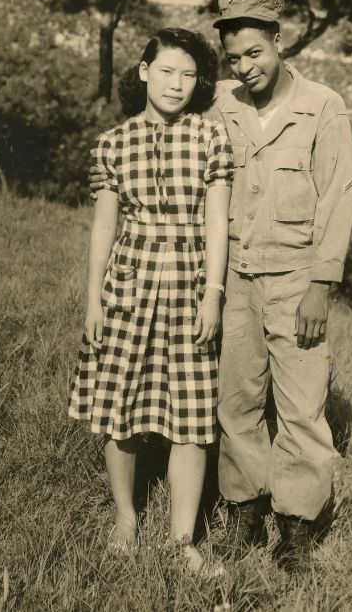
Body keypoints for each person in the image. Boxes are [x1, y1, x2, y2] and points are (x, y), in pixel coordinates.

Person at [69, 28, 233, 574]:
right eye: (166, 71)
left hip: (189, 281)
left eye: (188, 75)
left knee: (191, 412)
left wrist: (213, 295)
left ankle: (183, 539)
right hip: (130, 282)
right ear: (144, 72)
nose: (176, 84)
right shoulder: (113, 144)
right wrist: (93, 300)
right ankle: (125, 518)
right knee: (121, 404)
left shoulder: (210, 138)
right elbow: (103, 228)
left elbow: (216, 223)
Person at [208, 0, 352, 570]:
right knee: (238, 401)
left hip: (298, 282)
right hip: (235, 278)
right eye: (234, 58)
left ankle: (296, 528)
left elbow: (339, 196)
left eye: (254, 52)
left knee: (300, 406)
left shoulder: (323, 105)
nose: (246, 68)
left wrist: (322, 284)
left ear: (278, 40)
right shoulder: (219, 102)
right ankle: (245, 511)